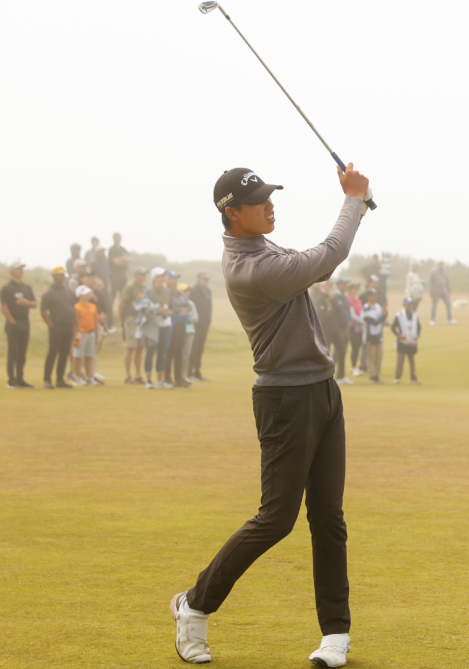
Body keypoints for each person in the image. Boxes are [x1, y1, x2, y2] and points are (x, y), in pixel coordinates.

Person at [172, 165, 368, 668]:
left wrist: (356, 204)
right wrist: (354, 200)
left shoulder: (266, 250)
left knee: (328, 518)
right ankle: (194, 606)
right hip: (285, 400)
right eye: (258, 200)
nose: (269, 204)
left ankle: (336, 635)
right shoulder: (252, 268)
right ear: (231, 213)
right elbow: (328, 256)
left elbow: (318, 261)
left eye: (269, 195)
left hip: (323, 392)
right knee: (276, 519)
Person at [0, 263, 37, 388]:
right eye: (18, 269)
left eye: (22, 269)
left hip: (25, 322)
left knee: (22, 353)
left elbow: (34, 304)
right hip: (13, 323)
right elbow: (4, 307)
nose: (21, 271)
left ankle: (20, 378)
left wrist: (27, 303)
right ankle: (12, 379)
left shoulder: (27, 287)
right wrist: (13, 322)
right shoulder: (7, 288)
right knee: (13, 352)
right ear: (12, 271)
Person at [40, 266, 76, 389]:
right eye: (61, 274)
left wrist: (75, 323)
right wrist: (51, 325)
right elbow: (43, 311)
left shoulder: (68, 291)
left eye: (64, 274)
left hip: (68, 325)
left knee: (64, 353)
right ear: (55, 276)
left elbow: (72, 307)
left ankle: (60, 379)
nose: (63, 276)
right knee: (53, 352)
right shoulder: (48, 293)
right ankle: (47, 380)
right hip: (56, 326)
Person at [136, 267, 171, 389]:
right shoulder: (148, 291)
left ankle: (160, 381)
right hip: (152, 326)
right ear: (155, 277)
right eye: (161, 276)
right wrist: (158, 309)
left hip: (165, 324)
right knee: (150, 352)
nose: (163, 278)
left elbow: (170, 305)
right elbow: (144, 306)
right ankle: (149, 380)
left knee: (162, 353)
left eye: (164, 276)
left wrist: (169, 311)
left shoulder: (167, 291)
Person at [164, 274, 194, 388]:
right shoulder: (167, 292)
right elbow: (170, 309)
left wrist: (180, 312)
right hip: (171, 325)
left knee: (179, 352)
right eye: (173, 278)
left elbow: (189, 307)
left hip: (181, 325)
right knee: (170, 351)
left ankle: (178, 378)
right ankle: (167, 377)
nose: (175, 281)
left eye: (176, 279)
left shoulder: (180, 293)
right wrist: (180, 311)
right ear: (168, 280)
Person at [120, 267, 148, 384]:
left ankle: (138, 375)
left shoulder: (145, 288)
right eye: (141, 274)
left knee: (140, 347)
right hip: (131, 317)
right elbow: (122, 304)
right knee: (131, 347)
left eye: (144, 274)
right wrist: (123, 320)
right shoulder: (130, 286)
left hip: (141, 318)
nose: (143, 276)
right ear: (135, 275)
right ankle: (128, 376)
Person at [71, 285, 102, 386]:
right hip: (80, 334)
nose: (89, 295)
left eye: (89, 293)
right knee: (78, 356)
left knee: (89, 355)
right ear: (80, 295)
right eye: (86, 293)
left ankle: (89, 377)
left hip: (91, 332)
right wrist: (75, 337)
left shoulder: (93, 306)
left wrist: (97, 336)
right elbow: (75, 323)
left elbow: (96, 322)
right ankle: (76, 376)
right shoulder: (76, 307)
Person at [188, 272, 214, 382]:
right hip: (195, 325)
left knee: (200, 349)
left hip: (204, 325)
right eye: (204, 279)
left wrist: (208, 321)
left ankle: (197, 372)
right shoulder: (193, 291)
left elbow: (209, 307)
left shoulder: (208, 291)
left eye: (208, 279)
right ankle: (189, 373)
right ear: (199, 280)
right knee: (193, 349)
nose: (207, 281)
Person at [390, 297, 420, 384]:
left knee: (412, 361)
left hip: (412, 341)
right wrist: (399, 335)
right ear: (404, 305)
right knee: (400, 360)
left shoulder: (414, 315)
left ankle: (413, 377)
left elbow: (419, 327)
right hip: (402, 342)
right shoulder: (399, 315)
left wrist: (417, 334)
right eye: (408, 305)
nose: (409, 306)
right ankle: (397, 377)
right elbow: (393, 327)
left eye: (410, 305)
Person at [361, 289, 385, 384]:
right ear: (368, 297)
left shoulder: (378, 306)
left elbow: (381, 320)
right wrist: (383, 315)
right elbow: (374, 322)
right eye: (373, 295)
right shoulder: (365, 308)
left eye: (376, 295)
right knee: (371, 357)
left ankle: (377, 376)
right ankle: (372, 376)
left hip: (378, 335)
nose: (375, 297)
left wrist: (384, 314)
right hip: (370, 336)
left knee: (379, 357)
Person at [428, 261, 454, 325]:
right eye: (439, 264)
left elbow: (447, 280)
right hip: (436, 291)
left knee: (448, 304)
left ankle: (450, 319)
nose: (441, 265)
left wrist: (449, 288)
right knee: (434, 305)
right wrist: (431, 290)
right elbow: (430, 281)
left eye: (442, 264)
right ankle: (432, 320)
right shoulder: (433, 271)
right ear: (437, 264)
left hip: (444, 291)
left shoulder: (445, 271)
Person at [347, 283, 364, 376]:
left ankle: (354, 366)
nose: (356, 290)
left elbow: (360, 313)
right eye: (354, 288)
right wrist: (362, 322)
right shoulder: (349, 300)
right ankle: (353, 368)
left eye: (357, 289)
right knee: (354, 347)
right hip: (352, 327)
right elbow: (352, 315)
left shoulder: (358, 300)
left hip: (358, 328)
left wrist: (361, 322)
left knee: (357, 347)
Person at [108, 232, 132, 299]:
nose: (119, 239)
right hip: (114, 273)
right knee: (114, 292)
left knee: (124, 292)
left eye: (120, 237)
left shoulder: (123, 249)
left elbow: (130, 258)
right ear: (114, 238)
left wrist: (121, 259)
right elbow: (116, 262)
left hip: (122, 273)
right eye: (118, 237)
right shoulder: (111, 249)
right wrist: (124, 259)